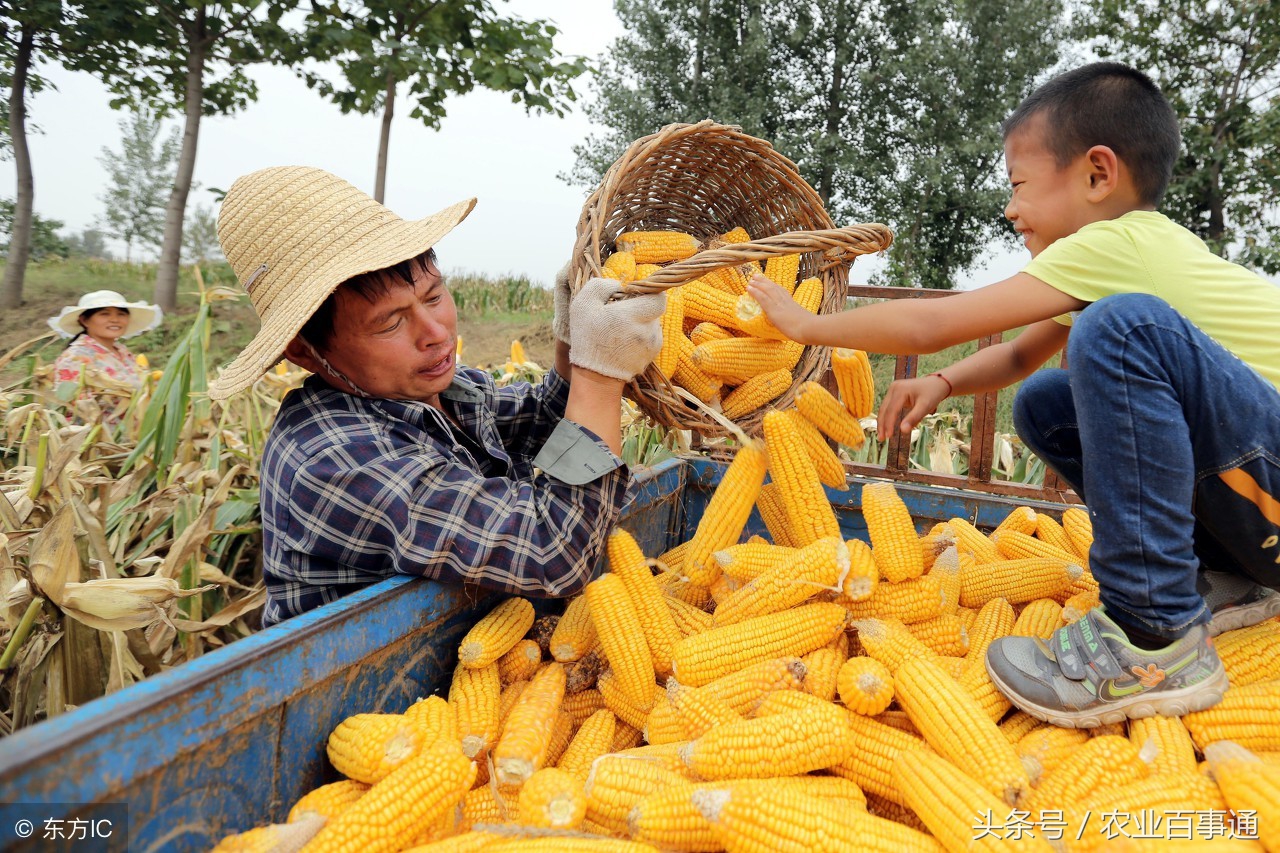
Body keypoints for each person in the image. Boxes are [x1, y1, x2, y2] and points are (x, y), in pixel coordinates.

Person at [747, 62, 1280, 727]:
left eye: (1019, 185)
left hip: (1270, 466)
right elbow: (1020, 356)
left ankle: (1153, 633)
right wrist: (941, 380)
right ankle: (1217, 567)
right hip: (1261, 499)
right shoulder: (1133, 254)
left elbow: (932, 321)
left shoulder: (1118, 243)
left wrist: (804, 325)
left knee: (1119, 329)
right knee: (1048, 400)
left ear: (1097, 175)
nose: (1009, 209)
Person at [207, 166, 666, 628]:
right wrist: (600, 378)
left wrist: (572, 343)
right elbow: (554, 552)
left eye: (433, 296)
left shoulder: (439, 390)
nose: (435, 334)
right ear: (305, 352)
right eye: (389, 323)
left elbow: (539, 420)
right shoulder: (332, 458)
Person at [48, 290, 162, 422]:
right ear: (84, 320)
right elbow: (74, 408)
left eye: (121, 314)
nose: (115, 320)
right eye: (104, 314)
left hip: (135, 435)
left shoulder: (124, 353)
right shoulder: (75, 357)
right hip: (101, 438)